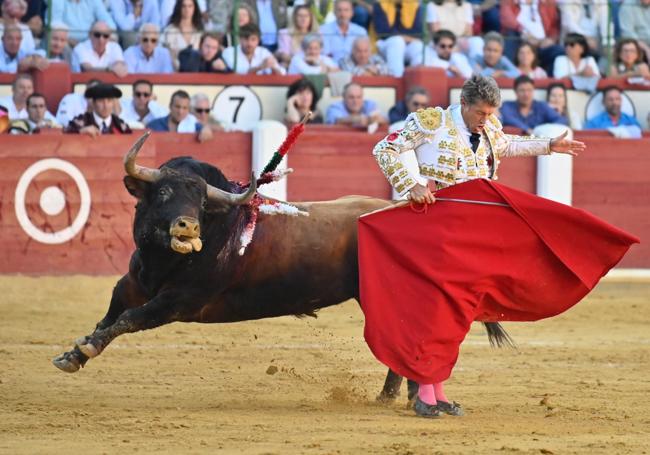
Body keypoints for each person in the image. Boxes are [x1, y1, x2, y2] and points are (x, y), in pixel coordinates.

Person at [369, 75, 586, 417]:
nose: (486, 119)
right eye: (481, 112)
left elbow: (507, 145)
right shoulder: (433, 121)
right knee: (437, 311)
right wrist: (409, 184)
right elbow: (384, 148)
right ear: (465, 104)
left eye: (490, 113)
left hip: (473, 234)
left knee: (456, 313)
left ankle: (435, 391)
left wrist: (548, 146)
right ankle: (426, 393)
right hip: (438, 228)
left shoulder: (487, 128)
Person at [372, 0, 425, 77]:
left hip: (407, 43)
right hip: (384, 43)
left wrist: (403, 37)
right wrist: (404, 37)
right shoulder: (380, 3)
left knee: (418, 45)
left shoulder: (414, 4)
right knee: (397, 41)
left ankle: (418, 78)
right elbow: (383, 32)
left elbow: (417, 31)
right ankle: (397, 79)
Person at [500, 75, 567, 134]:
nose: (526, 94)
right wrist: (526, 129)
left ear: (533, 90)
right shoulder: (507, 105)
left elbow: (562, 120)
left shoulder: (541, 106)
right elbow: (507, 118)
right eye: (522, 90)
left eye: (529, 90)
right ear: (515, 91)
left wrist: (543, 130)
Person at [64, 83, 132, 136]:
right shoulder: (81, 121)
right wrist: (81, 131)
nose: (105, 106)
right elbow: (65, 132)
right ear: (93, 103)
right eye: (101, 101)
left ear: (113, 103)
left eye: (109, 101)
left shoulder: (119, 124)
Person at [147, 89, 213, 143]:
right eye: (177, 107)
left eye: (184, 108)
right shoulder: (154, 125)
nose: (180, 112)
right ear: (170, 106)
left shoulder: (193, 124)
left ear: (188, 109)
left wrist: (206, 129)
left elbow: (206, 129)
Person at [50, 0, 117, 45]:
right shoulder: (57, 1)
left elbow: (107, 20)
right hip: (67, 41)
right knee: (61, 44)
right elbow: (55, 24)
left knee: (111, 40)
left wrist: (110, 36)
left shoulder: (94, 1)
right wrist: (68, 40)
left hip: (91, 42)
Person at [161, 0, 204, 70]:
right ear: (179, 8)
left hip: (195, 73)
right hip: (172, 72)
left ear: (194, 8)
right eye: (183, 6)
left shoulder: (199, 31)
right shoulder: (170, 30)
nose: (187, 9)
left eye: (190, 6)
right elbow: (163, 53)